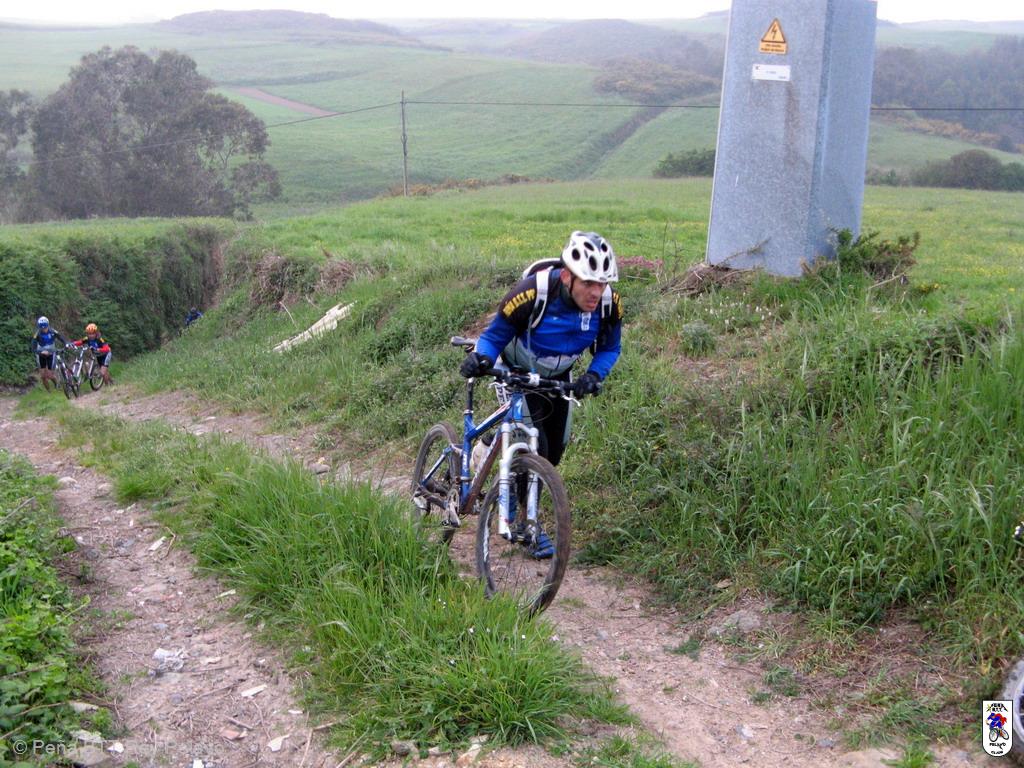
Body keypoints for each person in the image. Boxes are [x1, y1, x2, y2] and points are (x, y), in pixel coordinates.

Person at [459, 231, 622, 556]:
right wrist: (482, 358)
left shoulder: (607, 304)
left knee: (554, 452)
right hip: (516, 369)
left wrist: (594, 374)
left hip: (558, 375)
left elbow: (610, 348)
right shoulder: (532, 293)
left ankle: (491, 445)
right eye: (589, 282)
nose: (596, 291)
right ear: (567, 276)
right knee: (537, 446)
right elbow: (494, 336)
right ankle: (525, 522)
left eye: (602, 283)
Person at [30, 316, 68, 391]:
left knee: (50, 375)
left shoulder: (53, 331)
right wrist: (41, 352)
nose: (44, 329)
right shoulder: (37, 334)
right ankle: (49, 392)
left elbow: (61, 338)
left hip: (51, 354)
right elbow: (33, 348)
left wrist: (66, 344)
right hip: (41, 355)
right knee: (43, 376)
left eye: (45, 328)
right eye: (42, 328)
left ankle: (57, 385)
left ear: (48, 326)